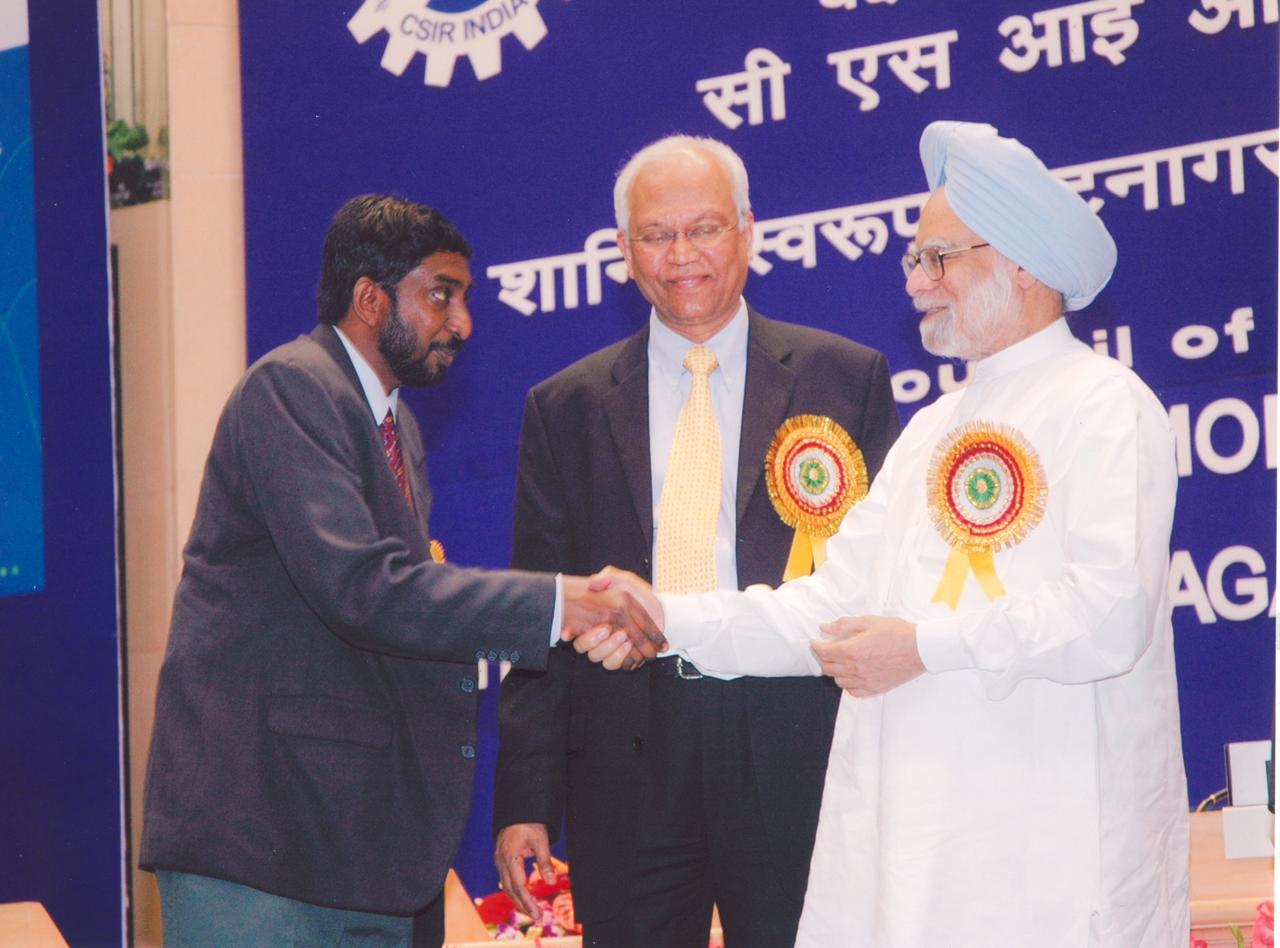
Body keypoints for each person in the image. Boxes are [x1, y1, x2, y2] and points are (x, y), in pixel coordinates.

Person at [583, 122, 1190, 946]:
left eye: (939, 258)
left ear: (1021, 264)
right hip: (926, 861)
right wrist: (665, 616)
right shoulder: (934, 430)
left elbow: (1110, 616)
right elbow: (828, 607)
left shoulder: (1106, 405)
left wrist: (924, 647)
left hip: (1050, 857)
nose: (917, 283)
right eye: (914, 260)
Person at [138, 194, 660, 947]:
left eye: (464, 298)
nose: (463, 323)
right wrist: (560, 605)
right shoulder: (290, 388)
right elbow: (363, 586)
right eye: (440, 295)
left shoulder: (394, 424)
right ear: (369, 299)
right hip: (265, 844)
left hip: (354, 846)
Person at [493, 135, 900, 947]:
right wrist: (525, 801)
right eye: (656, 234)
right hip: (625, 765)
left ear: (748, 230)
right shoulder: (563, 407)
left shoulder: (844, 379)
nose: (682, 255)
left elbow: (880, 590)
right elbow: (537, 616)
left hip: (795, 753)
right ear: (623, 251)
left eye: (705, 228)